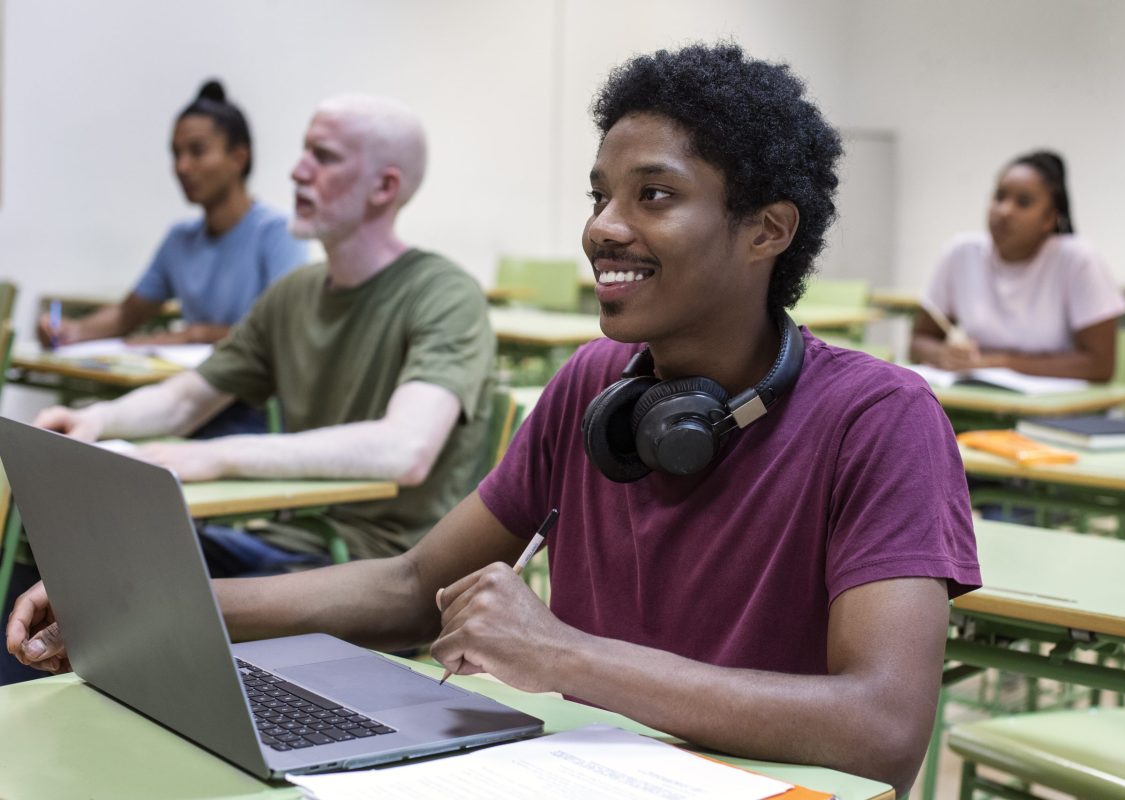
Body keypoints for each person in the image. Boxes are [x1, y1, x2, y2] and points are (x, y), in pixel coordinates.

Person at [8, 45, 977, 794]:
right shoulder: (594, 386)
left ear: (767, 228)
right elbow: (408, 586)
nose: (603, 225)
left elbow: (883, 724)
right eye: (601, 194)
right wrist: (136, 606)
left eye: (655, 196)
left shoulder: (881, 420)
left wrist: (564, 656)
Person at [26, 94, 495, 567]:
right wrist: (96, 421)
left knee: (126, 574)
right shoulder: (293, 294)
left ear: (384, 187)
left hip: (388, 566)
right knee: (68, 556)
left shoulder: (446, 295)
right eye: (304, 151)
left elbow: (405, 449)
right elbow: (187, 399)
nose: (298, 171)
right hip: (293, 538)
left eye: (324, 156)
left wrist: (220, 456)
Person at [37, 80, 308, 350]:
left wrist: (196, 335)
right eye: (176, 154)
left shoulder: (279, 233)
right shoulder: (180, 240)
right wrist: (72, 330)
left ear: (239, 157)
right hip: (193, 385)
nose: (182, 167)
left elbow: (285, 330)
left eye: (197, 151)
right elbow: (127, 314)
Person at [910, 150, 1125, 381]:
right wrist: (944, 354)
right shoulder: (961, 252)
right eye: (999, 196)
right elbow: (918, 341)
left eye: (1023, 203)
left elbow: (1100, 366)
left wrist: (1003, 363)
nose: (1004, 211)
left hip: (1058, 411)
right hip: (981, 399)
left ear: (1049, 219)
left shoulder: (1078, 259)